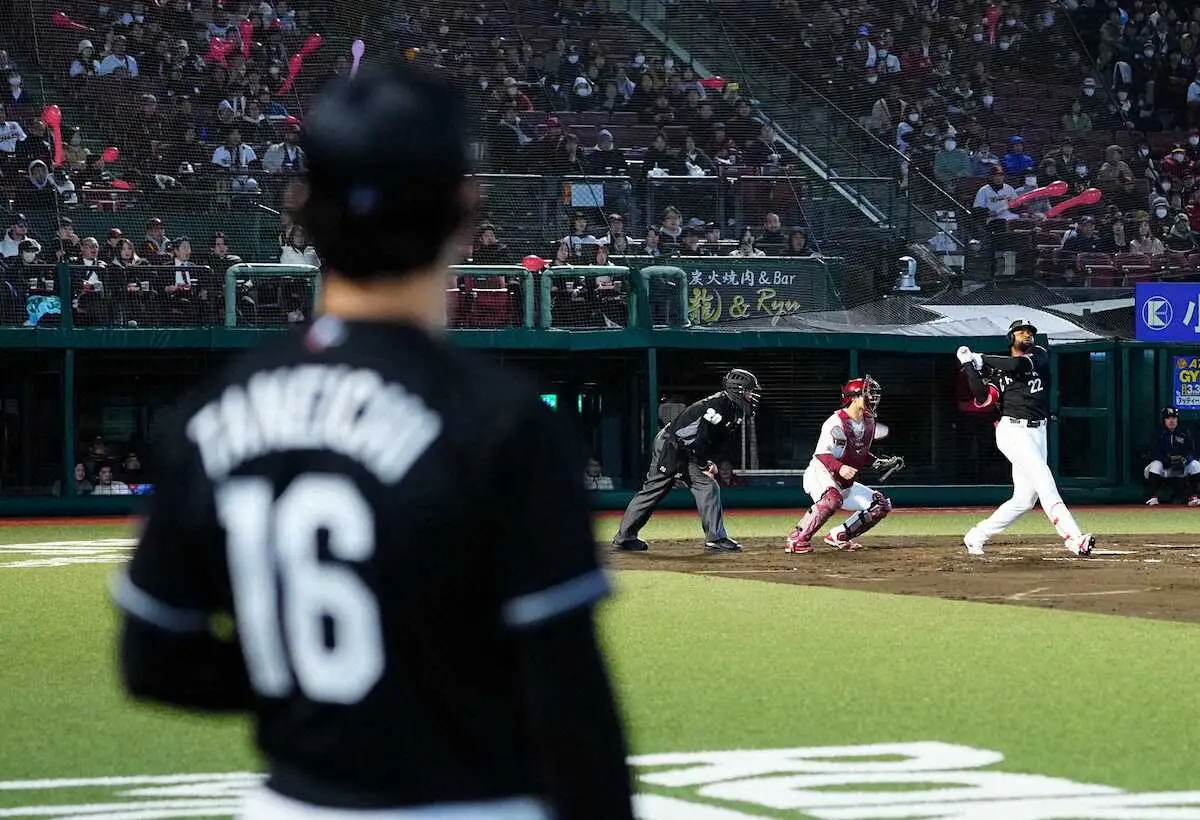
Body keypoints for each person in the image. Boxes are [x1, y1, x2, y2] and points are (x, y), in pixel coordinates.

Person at [111, 62, 635, 820]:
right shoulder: (501, 421)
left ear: (301, 208)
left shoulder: (214, 409)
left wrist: (315, 679)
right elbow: (573, 707)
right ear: (465, 209)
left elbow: (151, 657)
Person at [957, 320, 1095, 557]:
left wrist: (982, 358)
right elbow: (982, 397)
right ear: (1011, 337)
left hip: (1038, 431)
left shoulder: (1038, 355)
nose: (1027, 335)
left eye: (1030, 332)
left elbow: (1017, 365)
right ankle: (1074, 539)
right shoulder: (999, 372)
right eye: (1021, 332)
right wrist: (969, 365)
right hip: (1013, 431)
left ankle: (976, 535)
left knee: (1024, 499)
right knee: (1045, 482)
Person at [611, 368, 761, 552]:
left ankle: (715, 538)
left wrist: (708, 460)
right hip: (672, 445)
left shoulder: (732, 409)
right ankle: (625, 537)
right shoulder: (718, 406)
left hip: (686, 447)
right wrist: (703, 463)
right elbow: (694, 438)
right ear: (737, 390)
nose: (752, 395)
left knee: (705, 486)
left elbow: (713, 442)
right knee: (656, 489)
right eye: (749, 391)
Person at [784, 376, 904, 554]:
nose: (872, 398)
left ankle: (839, 535)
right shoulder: (835, 422)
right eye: (867, 394)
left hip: (843, 483)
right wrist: (839, 467)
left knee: (880, 505)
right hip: (821, 473)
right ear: (854, 398)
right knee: (831, 499)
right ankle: (797, 539)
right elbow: (822, 454)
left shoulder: (869, 421)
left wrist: (878, 462)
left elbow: (859, 452)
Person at [1144, 406, 1199, 506]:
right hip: (1163, 469)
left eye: (1174, 418)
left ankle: (1194, 497)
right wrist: (1168, 460)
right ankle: (1153, 497)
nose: (1171, 421)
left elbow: (1192, 451)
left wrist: (1185, 460)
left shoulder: (1184, 433)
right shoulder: (1158, 433)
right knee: (1156, 464)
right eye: (1168, 418)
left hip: (1180, 469)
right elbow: (1153, 453)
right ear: (1164, 420)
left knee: (1195, 465)